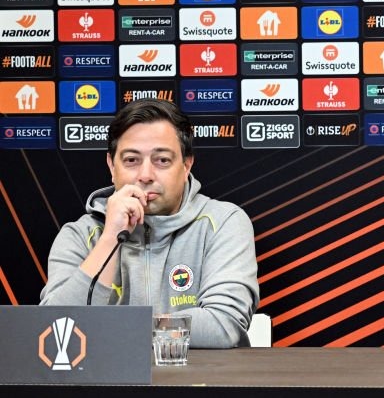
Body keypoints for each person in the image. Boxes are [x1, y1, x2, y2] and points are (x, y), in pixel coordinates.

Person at [40, 99, 259, 348]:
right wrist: (110, 236)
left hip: (200, 384)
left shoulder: (222, 222)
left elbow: (222, 325)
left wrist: (107, 329)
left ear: (186, 164)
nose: (145, 175)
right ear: (112, 166)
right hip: (106, 387)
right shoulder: (79, 235)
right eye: (132, 160)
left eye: (162, 160)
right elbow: (56, 327)